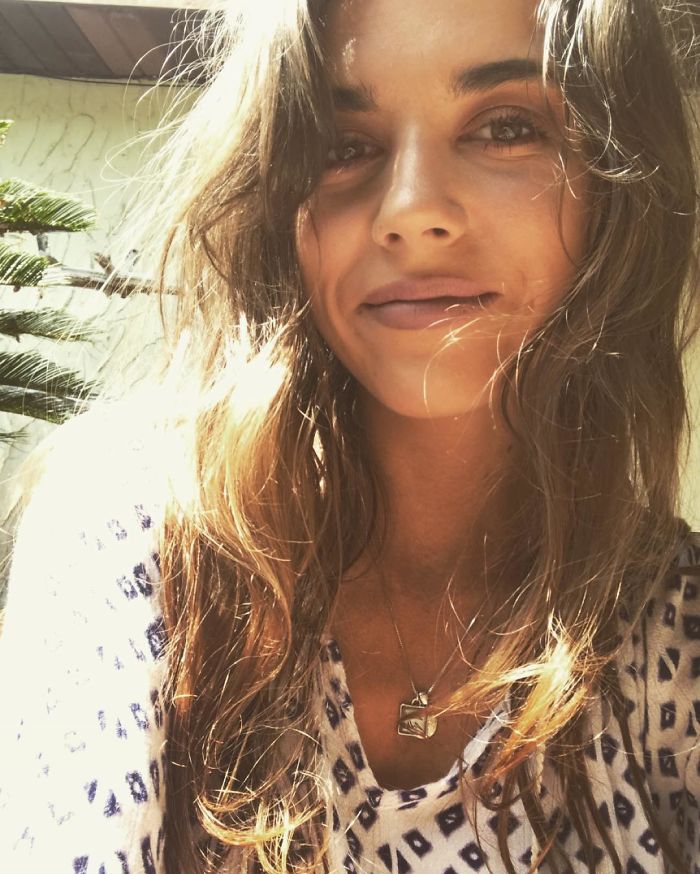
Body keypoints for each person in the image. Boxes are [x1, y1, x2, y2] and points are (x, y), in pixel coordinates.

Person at [0, 0, 698, 871]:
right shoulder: (143, 532)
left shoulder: (670, 620)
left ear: (618, 190)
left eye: (506, 128)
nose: (408, 210)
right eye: (340, 146)